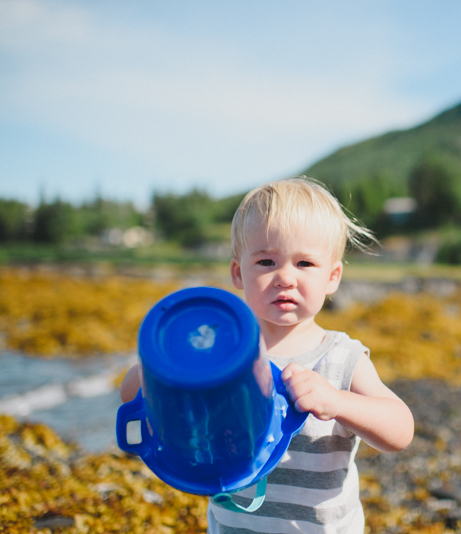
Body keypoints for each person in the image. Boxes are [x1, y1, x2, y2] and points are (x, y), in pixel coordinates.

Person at [120, 176, 414, 534]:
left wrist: (337, 401)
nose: (285, 278)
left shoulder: (340, 357)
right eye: (266, 262)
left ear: (333, 276)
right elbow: (131, 397)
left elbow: (400, 430)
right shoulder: (222, 356)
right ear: (237, 272)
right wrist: (162, 370)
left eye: (304, 264)